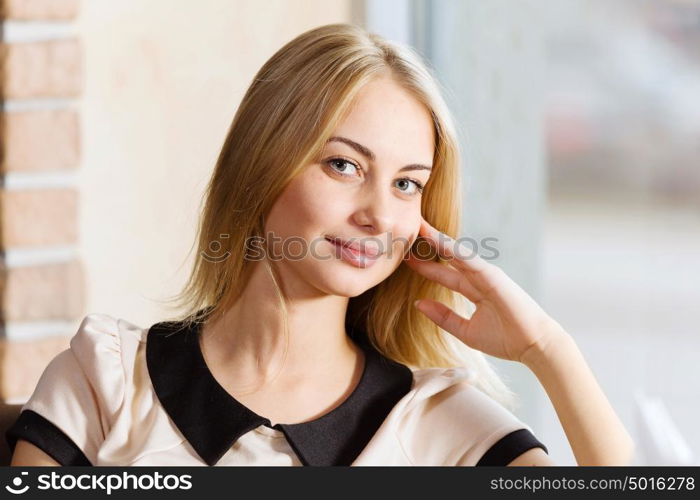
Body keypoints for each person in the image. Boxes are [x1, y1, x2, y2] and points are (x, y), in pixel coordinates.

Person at [7, 23, 634, 466]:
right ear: (263, 164)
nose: (379, 215)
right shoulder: (106, 381)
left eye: (408, 184)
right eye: (343, 166)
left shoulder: (444, 423)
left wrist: (548, 348)